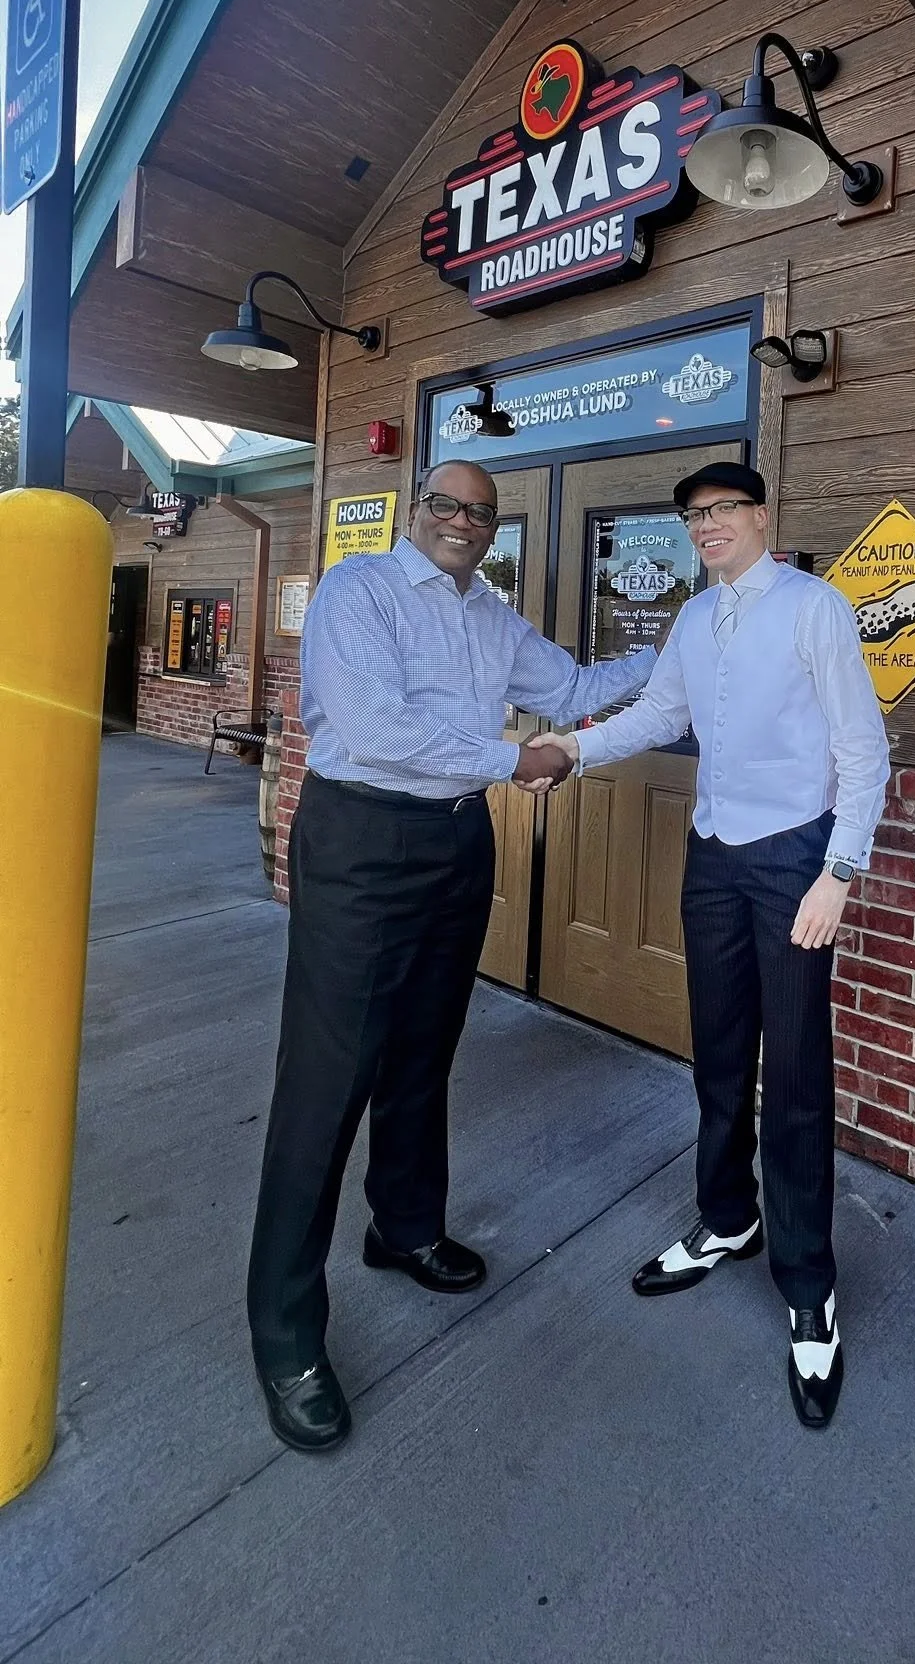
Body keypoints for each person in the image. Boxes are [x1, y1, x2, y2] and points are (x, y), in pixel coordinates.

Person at [248, 458, 655, 1453]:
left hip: (456, 840)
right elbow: (373, 727)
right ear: (416, 508)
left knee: (423, 1051)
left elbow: (571, 685)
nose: (465, 522)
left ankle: (405, 1226)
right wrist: (515, 757)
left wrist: (675, 651)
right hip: (362, 839)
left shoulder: (490, 613)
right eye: (449, 504)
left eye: (483, 512)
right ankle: (286, 1330)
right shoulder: (360, 589)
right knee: (329, 1074)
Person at [532, 462, 889, 1428]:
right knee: (721, 1052)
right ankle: (728, 1217)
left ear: (763, 516)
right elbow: (660, 716)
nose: (707, 527)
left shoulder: (816, 609)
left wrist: (838, 875)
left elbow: (864, 749)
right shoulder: (694, 620)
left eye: (723, 510)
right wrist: (571, 748)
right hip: (715, 857)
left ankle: (808, 1285)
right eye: (694, 517)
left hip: (794, 862)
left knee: (799, 1071)